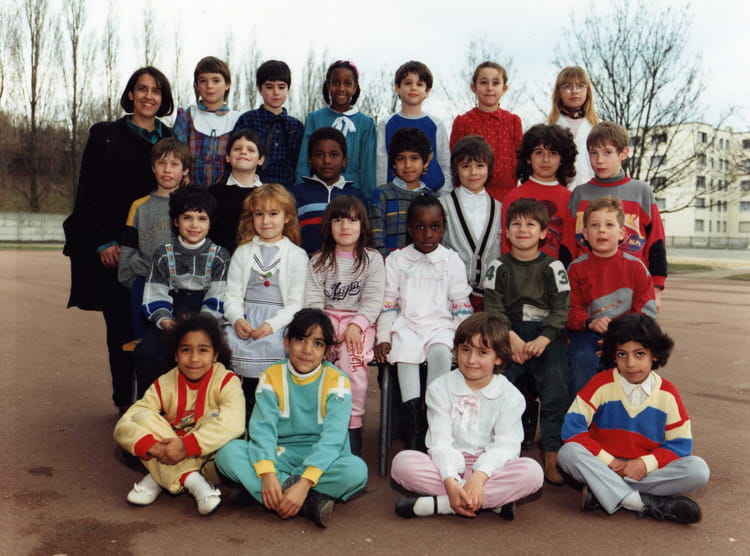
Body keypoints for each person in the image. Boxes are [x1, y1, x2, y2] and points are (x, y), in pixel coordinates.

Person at [64, 66, 174, 414]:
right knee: (120, 326)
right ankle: (124, 401)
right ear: (130, 94)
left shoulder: (170, 138)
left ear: (163, 98)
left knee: (159, 326)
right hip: (115, 247)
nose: (148, 96)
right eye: (142, 89)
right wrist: (102, 241)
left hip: (160, 250)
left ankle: (156, 402)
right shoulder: (106, 135)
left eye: (155, 90)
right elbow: (89, 193)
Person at [215, 308, 369, 528]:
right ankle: (308, 504)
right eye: (300, 340)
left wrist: (305, 482)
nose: (307, 350)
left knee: (356, 471)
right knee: (228, 454)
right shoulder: (271, 376)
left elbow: (332, 440)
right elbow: (262, 430)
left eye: (317, 344)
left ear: (327, 352)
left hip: (323, 459)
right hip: (279, 456)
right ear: (287, 343)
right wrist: (268, 474)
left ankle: (265, 493)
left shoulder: (338, 381)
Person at [558, 313, 709, 524]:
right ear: (613, 355)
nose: (630, 363)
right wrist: (610, 462)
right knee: (568, 453)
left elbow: (681, 444)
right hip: (604, 465)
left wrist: (644, 464)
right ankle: (640, 502)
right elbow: (572, 428)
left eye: (639, 354)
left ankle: (604, 491)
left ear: (655, 355)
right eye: (622, 354)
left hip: (644, 471)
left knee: (698, 470)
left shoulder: (668, 393)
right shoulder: (600, 384)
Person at [391, 313, 543, 519]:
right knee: (402, 463)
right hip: (445, 463)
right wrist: (450, 481)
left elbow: (506, 446)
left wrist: (479, 477)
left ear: (498, 357)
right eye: (465, 350)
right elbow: (440, 442)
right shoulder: (439, 388)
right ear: (456, 352)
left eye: (483, 352)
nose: (471, 360)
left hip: (493, 468)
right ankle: (488, 502)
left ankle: (442, 504)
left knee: (532, 473)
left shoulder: (511, 396)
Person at [114, 313, 245, 515]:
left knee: (217, 418)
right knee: (141, 416)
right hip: (166, 455)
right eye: (186, 350)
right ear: (175, 355)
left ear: (215, 355)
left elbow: (234, 423)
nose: (194, 359)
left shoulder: (227, 381)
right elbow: (125, 423)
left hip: (209, 462)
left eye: (203, 350)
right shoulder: (165, 382)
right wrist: (154, 448)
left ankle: (157, 478)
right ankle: (194, 482)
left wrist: (185, 446)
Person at [483, 198, 571, 485]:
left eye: (531, 224)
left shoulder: (553, 267)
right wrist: (511, 339)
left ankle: (552, 450)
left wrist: (545, 338)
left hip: (544, 335)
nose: (523, 229)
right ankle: (499, 448)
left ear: (543, 232)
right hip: (508, 334)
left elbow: (561, 308)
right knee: (499, 383)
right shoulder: (498, 267)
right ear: (507, 232)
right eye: (516, 224)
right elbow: (493, 307)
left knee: (556, 382)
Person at [375, 193, 473, 450]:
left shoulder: (451, 261)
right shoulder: (397, 260)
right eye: (420, 227)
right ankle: (414, 425)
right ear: (409, 229)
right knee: (405, 353)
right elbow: (388, 304)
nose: (428, 234)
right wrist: (383, 337)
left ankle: (434, 414)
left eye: (435, 227)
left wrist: (462, 339)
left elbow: (461, 305)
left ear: (443, 228)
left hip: (441, 327)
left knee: (441, 351)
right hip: (407, 325)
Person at [305, 196, 385, 456]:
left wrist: (356, 326)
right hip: (325, 321)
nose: (345, 226)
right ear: (328, 225)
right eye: (338, 220)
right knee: (313, 360)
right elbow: (313, 301)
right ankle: (318, 424)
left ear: (363, 225)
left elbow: (373, 300)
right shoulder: (319, 260)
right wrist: (324, 331)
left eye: (352, 220)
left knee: (353, 362)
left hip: (359, 322)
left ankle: (352, 425)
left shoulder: (372, 259)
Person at [223, 184, 308, 417]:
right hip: (247, 321)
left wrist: (271, 325)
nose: (266, 221)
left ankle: (274, 417)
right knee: (225, 342)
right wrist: (237, 319)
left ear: (287, 217)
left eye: (273, 214)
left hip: (279, 322)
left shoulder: (296, 255)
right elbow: (232, 295)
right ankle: (242, 415)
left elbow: (296, 303)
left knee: (279, 349)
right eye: (259, 214)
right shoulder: (243, 252)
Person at [137, 186, 230, 397]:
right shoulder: (163, 254)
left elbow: (218, 296)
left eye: (202, 218)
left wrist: (201, 326)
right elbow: (154, 294)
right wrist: (166, 321)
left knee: (214, 355)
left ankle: (205, 406)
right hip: (170, 317)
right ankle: (151, 407)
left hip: (206, 320)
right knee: (149, 353)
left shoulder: (219, 256)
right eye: (187, 217)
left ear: (210, 223)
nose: (194, 225)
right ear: (175, 221)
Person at [566, 121, 667, 309]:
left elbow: (656, 243)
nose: (599, 160)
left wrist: (656, 289)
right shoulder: (580, 194)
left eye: (607, 152)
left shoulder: (641, 192)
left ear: (623, 153)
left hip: (632, 288)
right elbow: (568, 245)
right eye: (593, 153)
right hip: (588, 288)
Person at [566, 196, 657, 397]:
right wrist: (590, 322)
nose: (602, 230)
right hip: (587, 333)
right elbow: (570, 310)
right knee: (582, 359)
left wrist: (618, 340)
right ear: (585, 233)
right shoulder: (576, 268)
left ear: (622, 233)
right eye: (594, 225)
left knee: (633, 361)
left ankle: (630, 411)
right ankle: (581, 412)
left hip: (628, 336)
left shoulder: (636, 268)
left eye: (609, 225)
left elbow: (646, 314)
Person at [118, 138, 191, 339]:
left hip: (183, 287)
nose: (167, 170)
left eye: (174, 164)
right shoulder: (139, 206)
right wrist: (133, 282)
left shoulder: (192, 205)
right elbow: (128, 247)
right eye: (161, 163)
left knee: (179, 343)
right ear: (153, 167)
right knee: (146, 346)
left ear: (185, 170)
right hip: (145, 284)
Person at [295, 60, 376, 199]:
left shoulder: (366, 123)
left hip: (352, 191)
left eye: (348, 83)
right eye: (335, 82)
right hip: (317, 188)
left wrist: (367, 199)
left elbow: (368, 167)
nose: (341, 88)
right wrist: (300, 193)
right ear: (328, 85)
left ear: (355, 87)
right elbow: (304, 162)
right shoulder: (314, 118)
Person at [440, 135, 502, 312]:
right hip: (449, 296)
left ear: (489, 168)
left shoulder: (499, 209)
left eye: (480, 166)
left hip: (488, 299)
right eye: (465, 166)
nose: (473, 173)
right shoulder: (442, 206)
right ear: (456, 169)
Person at [502, 123, 577, 265]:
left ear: (562, 159)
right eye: (539, 152)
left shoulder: (570, 198)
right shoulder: (514, 196)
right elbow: (507, 245)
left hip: (557, 273)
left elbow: (571, 247)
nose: (545, 159)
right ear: (528, 158)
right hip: (520, 273)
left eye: (553, 153)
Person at [449, 62, 522, 203]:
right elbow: (454, 161)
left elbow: (521, 159)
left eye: (495, 83)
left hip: (506, 196)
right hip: (470, 196)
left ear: (504, 88)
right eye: (483, 82)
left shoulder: (513, 122)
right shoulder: (463, 122)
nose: (489, 88)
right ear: (473, 88)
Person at [376, 61, 450, 195]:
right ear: (397, 88)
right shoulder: (386, 124)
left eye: (419, 84)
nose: (413, 88)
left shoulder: (436, 124)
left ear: (427, 91)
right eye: (408, 83)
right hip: (395, 196)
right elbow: (380, 164)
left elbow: (445, 163)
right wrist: (381, 194)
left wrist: (445, 196)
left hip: (431, 196)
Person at [290, 127, 367, 254]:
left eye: (333, 155)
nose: (326, 161)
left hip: (348, 263)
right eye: (319, 155)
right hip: (306, 262)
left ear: (344, 160)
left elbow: (364, 236)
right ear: (309, 159)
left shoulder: (356, 196)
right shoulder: (296, 193)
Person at [232, 60, 304, 187]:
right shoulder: (248, 120)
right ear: (259, 89)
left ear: (288, 89)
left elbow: (301, 162)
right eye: (269, 87)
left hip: (288, 188)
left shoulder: (295, 126)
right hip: (252, 186)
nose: (276, 92)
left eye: (281, 87)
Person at [173, 56, 241, 188]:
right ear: (197, 85)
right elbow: (177, 153)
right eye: (203, 81)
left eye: (216, 81)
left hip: (227, 189)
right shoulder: (187, 117)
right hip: (191, 189)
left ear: (227, 84)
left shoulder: (237, 119)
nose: (209, 86)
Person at [369, 127, 434, 256]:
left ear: (426, 161)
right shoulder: (382, 195)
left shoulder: (431, 198)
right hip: (389, 264)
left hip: (424, 266)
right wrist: (388, 262)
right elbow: (376, 237)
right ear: (393, 163)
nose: (407, 165)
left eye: (414, 158)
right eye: (401, 159)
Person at [207, 129, 265, 253]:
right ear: (228, 157)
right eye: (237, 149)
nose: (243, 152)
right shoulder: (213, 193)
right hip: (219, 258)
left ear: (261, 159)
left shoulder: (269, 195)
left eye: (251, 150)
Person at [547, 66, 599, 189]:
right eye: (567, 87)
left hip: (593, 192)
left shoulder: (599, 127)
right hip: (558, 191)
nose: (574, 91)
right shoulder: (548, 127)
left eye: (580, 86)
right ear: (559, 92)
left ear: (588, 91)